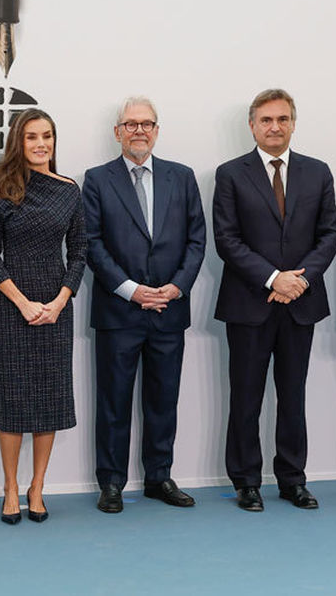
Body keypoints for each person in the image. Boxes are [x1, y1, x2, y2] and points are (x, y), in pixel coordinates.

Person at [213, 88, 336, 512]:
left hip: (300, 303)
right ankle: (246, 481)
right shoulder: (231, 173)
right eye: (266, 120)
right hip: (251, 301)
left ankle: (292, 479)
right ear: (252, 125)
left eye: (282, 119)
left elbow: (330, 234)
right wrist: (272, 278)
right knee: (245, 396)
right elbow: (227, 239)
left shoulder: (317, 172)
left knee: (293, 395)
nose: (274, 127)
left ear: (293, 123)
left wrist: (299, 281)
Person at [82, 97, 205, 514]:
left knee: (163, 399)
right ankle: (112, 482)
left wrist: (176, 287)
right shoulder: (97, 180)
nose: (139, 130)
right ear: (117, 131)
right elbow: (92, 243)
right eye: (130, 124)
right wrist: (130, 289)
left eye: (147, 123)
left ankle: (158, 477)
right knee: (114, 402)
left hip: (169, 310)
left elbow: (196, 240)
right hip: (120, 312)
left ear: (157, 130)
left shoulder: (182, 177)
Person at [0, 108, 87, 524]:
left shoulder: (69, 190)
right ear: (17, 143)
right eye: (31, 137)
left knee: (50, 402)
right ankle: (10, 487)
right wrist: (22, 303)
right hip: (13, 308)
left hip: (56, 308)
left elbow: (80, 252)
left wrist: (59, 301)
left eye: (47, 136)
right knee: (13, 402)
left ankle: (37, 487)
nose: (41, 144)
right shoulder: (0, 189)